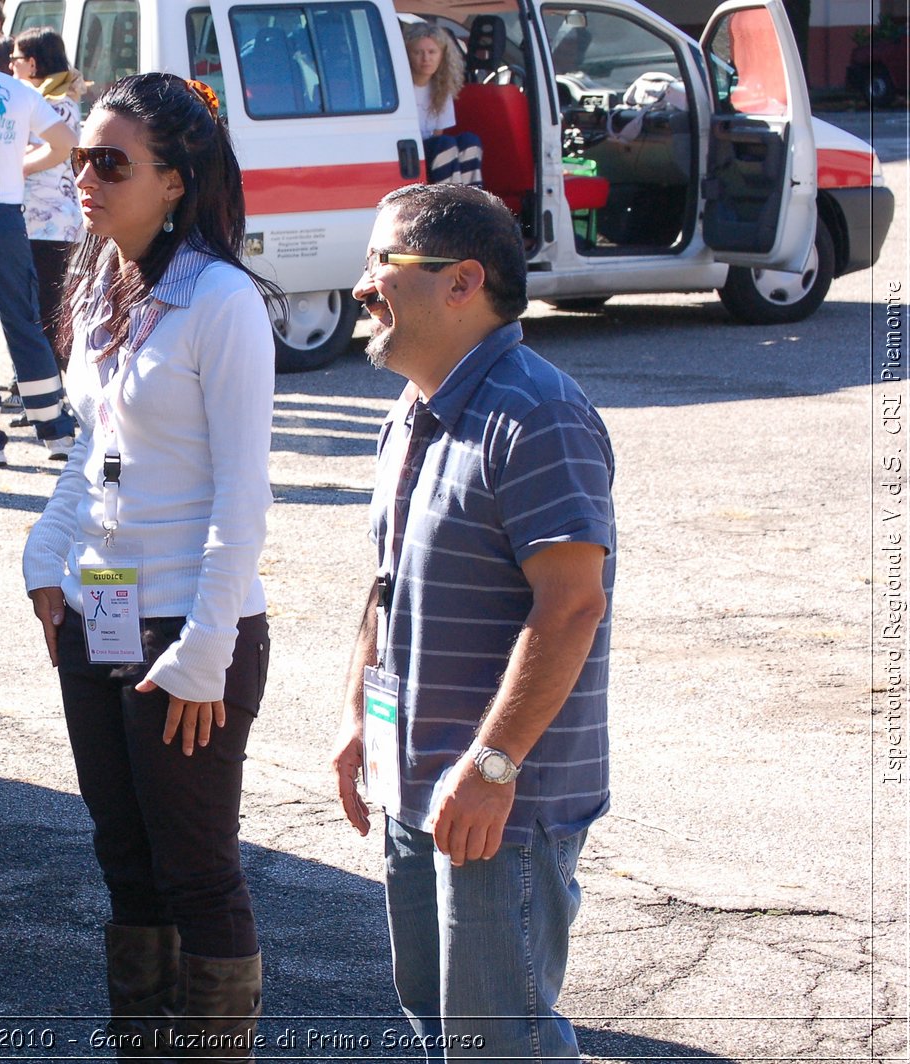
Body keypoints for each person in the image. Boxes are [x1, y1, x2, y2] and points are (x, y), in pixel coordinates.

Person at [22, 73, 278, 1062]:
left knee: (197, 874)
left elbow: (243, 494)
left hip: (189, 626)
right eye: (80, 156)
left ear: (174, 179)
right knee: (126, 866)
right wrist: (48, 555)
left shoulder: (220, 300)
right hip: (99, 614)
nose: (82, 175)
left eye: (109, 162)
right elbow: (95, 447)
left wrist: (208, 646)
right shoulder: (103, 280)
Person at [331, 183, 614, 1059]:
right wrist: (356, 725)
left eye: (383, 263)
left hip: (501, 800)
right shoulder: (413, 411)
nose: (362, 286)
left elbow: (571, 608)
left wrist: (493, 767)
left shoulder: (537, 413)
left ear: (462, 283)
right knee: (438, 1020)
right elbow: (386, 587)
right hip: (414, 782)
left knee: (503, 1040)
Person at [0, 51, 77, 467]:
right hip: (7, 213)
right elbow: (64, 143)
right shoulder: (17, 90)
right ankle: (56, 431)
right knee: (24, 319)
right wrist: (21, 166)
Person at [11, 26, 86, 366]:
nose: (10, 66)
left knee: (47, 305)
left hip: (50, 220)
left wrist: (18, 163)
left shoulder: (55, 103)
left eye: (15, 59)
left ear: (32, 62)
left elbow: (51, 150)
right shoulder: (52, 96)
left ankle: (52, 380)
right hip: (44, 218)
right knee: (42, 302)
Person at [403, 22, 482, 186]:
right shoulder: (400, 86)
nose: (426, 58)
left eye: (432, 52)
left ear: (442, 55)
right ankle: (449, 201)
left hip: (435, 147)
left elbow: (438, 132)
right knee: (445, 144)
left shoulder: (442, 88)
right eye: (418, 52)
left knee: (469, 140)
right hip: (408, 149)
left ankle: (474, 199)